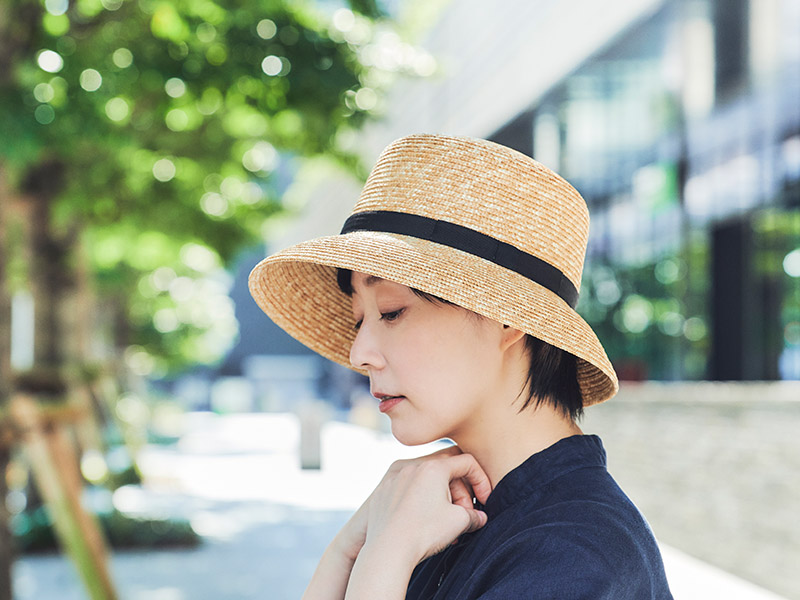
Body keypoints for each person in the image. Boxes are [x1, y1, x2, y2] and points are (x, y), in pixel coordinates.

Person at [248, 134, 673, 599]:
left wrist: (385, 553)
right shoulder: (452, 512)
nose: (359, 354)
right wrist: (348, 550)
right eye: (358, 321)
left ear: (506, 316)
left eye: (391, 311)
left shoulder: (571, 556)